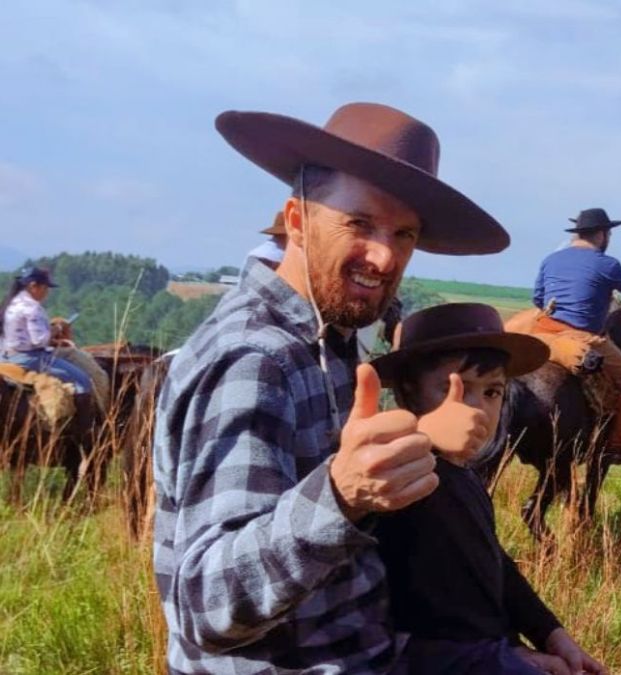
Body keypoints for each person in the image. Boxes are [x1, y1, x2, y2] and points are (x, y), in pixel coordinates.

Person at [153, 102, 510, 673]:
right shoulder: (255, 360)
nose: (385, 255)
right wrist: (342, 494)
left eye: (404, 233)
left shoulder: (332, 340)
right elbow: (206, 607)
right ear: (296, 220)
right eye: (360, 222)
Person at [371, 303, 607, 675]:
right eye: (457, 389)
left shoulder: (462, 475)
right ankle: (617, 436)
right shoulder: (393, 483)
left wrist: (549, 632)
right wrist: (506, 656)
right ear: (407, 393)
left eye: (493, 392)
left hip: (485, 655)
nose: (478, 410)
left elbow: (493, 567)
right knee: (620, 382)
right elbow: (431, 615)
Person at [529, 207, 621, 465]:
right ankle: (616, 446)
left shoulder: (550, 260)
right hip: (583, 338)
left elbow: (537, 298)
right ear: (603, 234)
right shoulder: (607, 264)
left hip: (543, 334)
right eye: (609, 234)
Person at [0, 267, 92, 394]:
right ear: (33, 286)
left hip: (5, 356)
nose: (47, 292)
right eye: (45, 288)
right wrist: (57, 329)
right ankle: (83, 414)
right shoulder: (32, 307)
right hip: (28, 358)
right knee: (83, 382)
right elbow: (39, 341)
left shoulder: (11, 303)